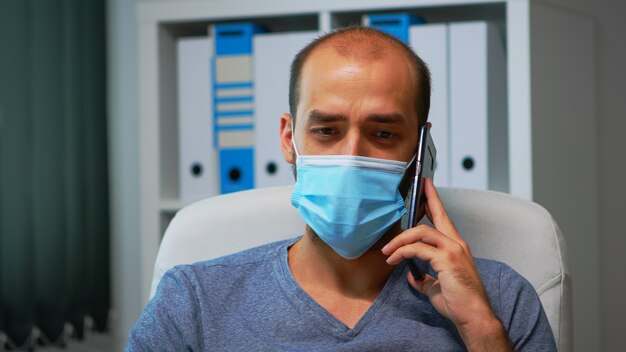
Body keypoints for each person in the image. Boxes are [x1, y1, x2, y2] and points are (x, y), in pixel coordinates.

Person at [126, 26, 556, 351]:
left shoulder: (498, 299)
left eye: (383, 134)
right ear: (288, 139)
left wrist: (480, 330)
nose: (351, 156)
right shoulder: (193, 301)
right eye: (327, 130)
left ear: (423, 151)